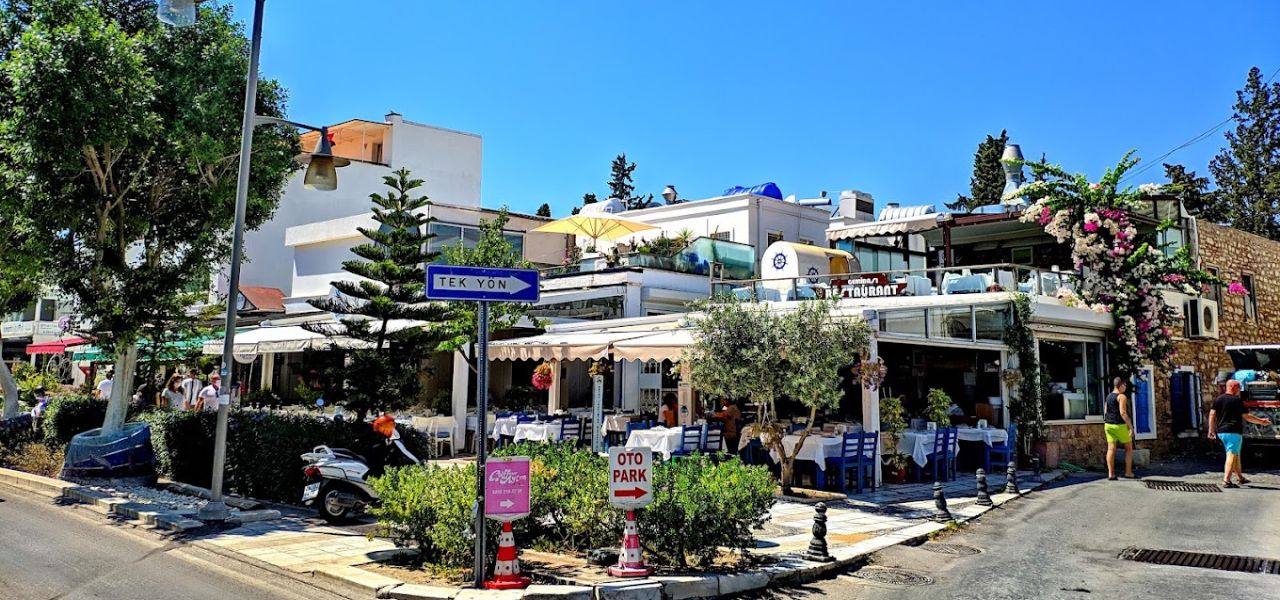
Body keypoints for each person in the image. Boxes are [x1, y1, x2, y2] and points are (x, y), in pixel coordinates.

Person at [1209, 379, 1272, 488]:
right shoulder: (1236, 400)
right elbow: (1247, 416)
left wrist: (1211, 430)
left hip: (1222, 432)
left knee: (1236, 454)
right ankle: (1226, 480)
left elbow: (1212, 415)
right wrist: (1261, 421)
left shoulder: (1218, 399)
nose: (1239, 390)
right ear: (1232, 387)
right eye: (1238, 388)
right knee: (1231, 455)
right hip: (1233, 432)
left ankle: (1240, 477)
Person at [1103, 377, 1136, 480]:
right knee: (1128, 448)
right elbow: (1123, 413)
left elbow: (1105, 411)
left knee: (1111, 449)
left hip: (1108, 425)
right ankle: (1128, 472)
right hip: (1120, 425)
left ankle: (1111, 474)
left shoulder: (1108, 396)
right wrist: (1130, 427)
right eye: (1124, 385)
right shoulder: (1122, 396)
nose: (1125, 387)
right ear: (1120, 385)